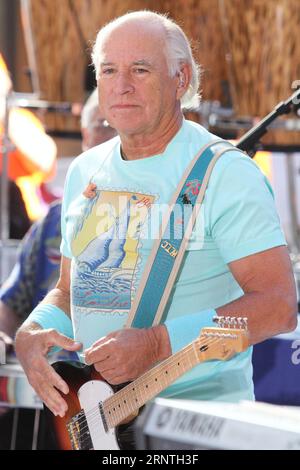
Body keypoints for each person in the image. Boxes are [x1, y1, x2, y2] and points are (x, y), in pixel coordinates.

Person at [15, 11, 297, 448]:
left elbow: (278, 306)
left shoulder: (225, 173)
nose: (121, 85)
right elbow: (70, 290)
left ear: (180, 79)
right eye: (109, 70)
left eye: (140, 70)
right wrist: (32, 331)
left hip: (196, 428)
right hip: (98, 423)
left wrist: (160, 343)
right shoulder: (86, 169)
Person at [0, 89, 116, 449]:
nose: (114, 132)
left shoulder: (161, 218)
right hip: (46, 402)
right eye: (104, 124)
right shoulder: (55, 218)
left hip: (118, 403)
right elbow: (12, 305)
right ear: (85, 137)